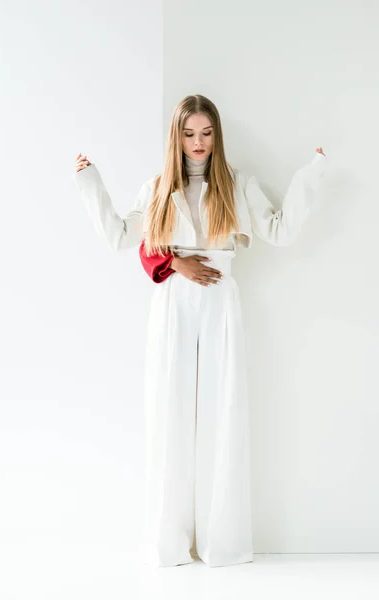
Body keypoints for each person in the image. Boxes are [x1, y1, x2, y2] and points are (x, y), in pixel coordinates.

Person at [72, 94, 328, 568]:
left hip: (220, 302)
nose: (198, 143)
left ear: (217, 136)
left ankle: (220, 540)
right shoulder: (156, 188)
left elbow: (279, 229)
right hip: (172, 304)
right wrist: (90, 182)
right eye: (189, 133)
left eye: (206, 133)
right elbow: (119, 237)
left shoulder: (236, 184)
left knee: (221, 410)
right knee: (170, 411)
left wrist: (311, 174)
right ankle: (170, 541)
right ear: (177, 136)